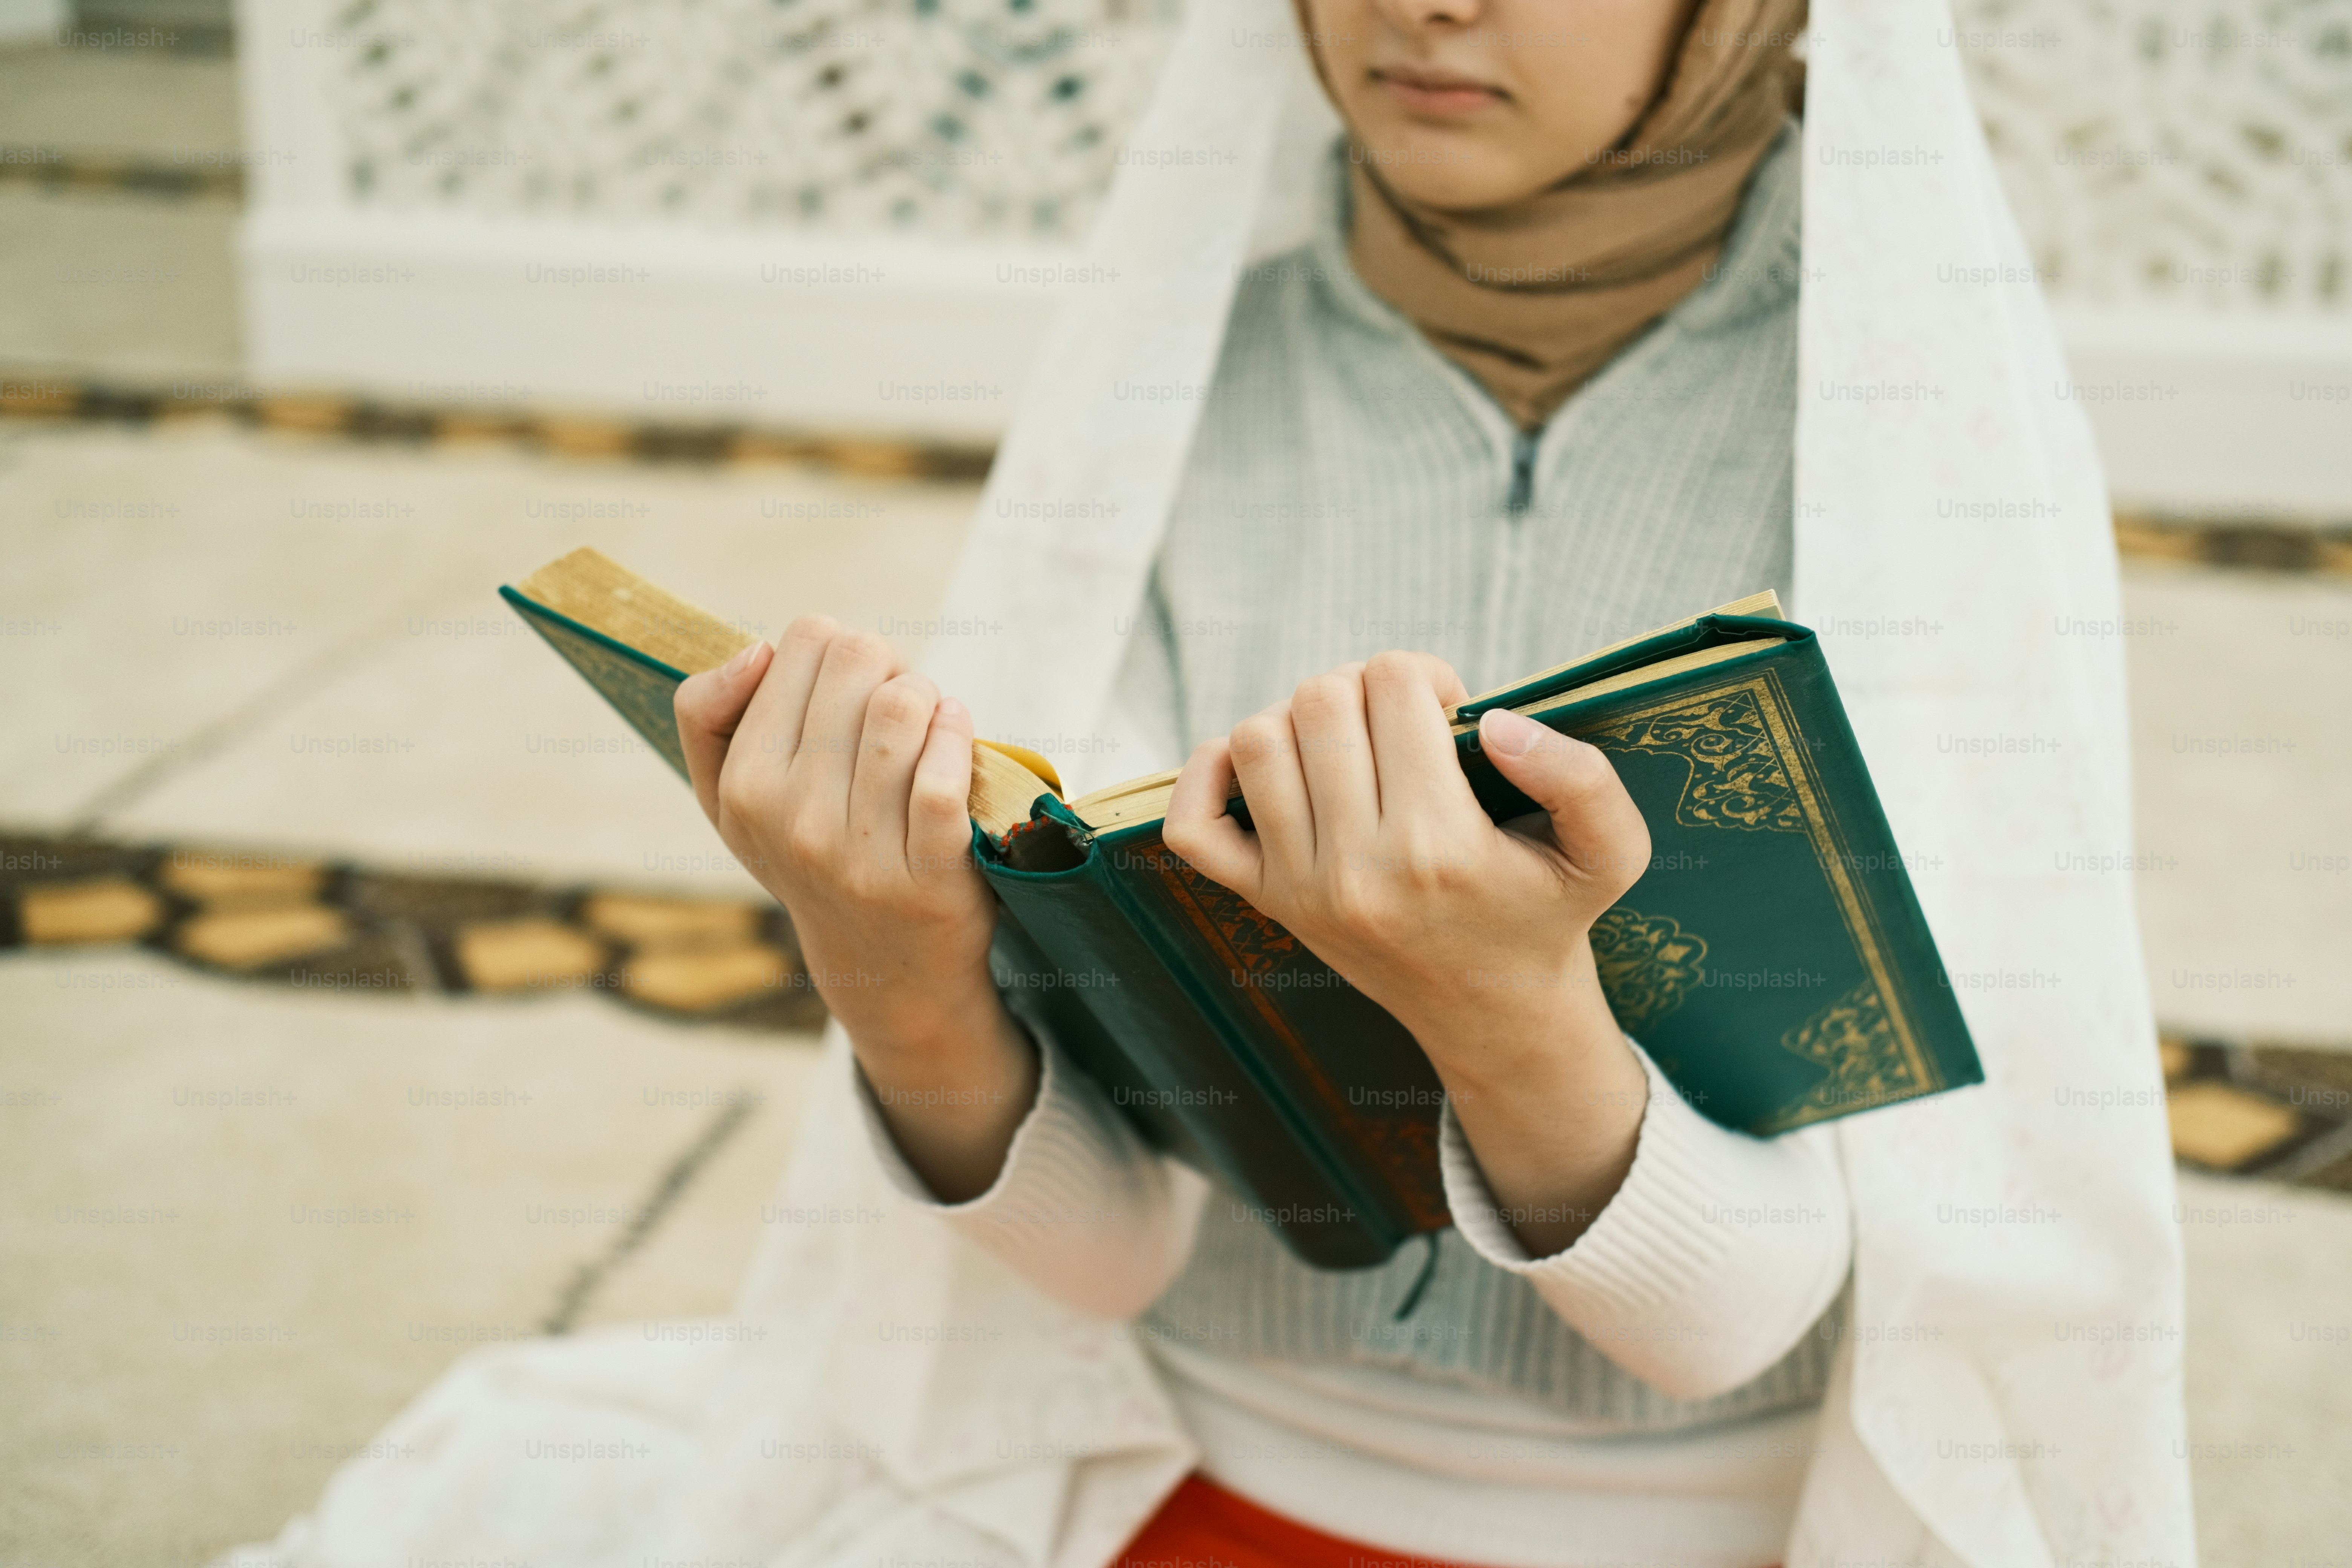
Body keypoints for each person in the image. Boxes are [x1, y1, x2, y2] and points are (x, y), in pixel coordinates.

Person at [225, 0, 2190, 1564]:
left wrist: (1515, 1019)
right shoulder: (1190, 386)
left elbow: (1741, 1323)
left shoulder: (1907, 436)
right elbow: (1113, 1252)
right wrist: (893, 963)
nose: (1428, 5)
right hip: (1140, 1478)